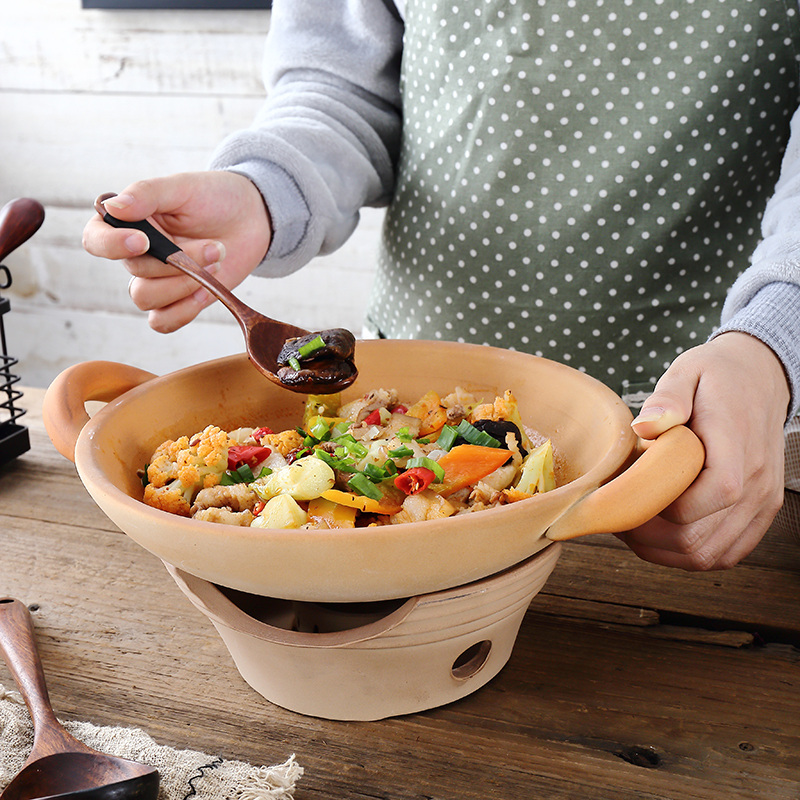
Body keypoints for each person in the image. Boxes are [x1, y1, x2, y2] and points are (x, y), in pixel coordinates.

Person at [83, 0, 800, 571]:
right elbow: (340, 85)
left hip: (726, 428)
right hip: (397, 397)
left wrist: (774, 337)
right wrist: (266, 191)